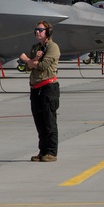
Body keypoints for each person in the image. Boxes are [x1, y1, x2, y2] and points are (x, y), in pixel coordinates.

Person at [20, 20, 61, 162]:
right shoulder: (36, 47)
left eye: (41, 30)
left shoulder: (53, 47)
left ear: (48, 32)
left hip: (48, 87)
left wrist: (28, 60)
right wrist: (31, 61)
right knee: (39, 122)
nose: (37, 32)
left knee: (49, 121)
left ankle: (51, 152)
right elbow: (27, 68)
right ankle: (42, 151)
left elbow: (43, 65)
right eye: (36, 30)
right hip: (35, 88)